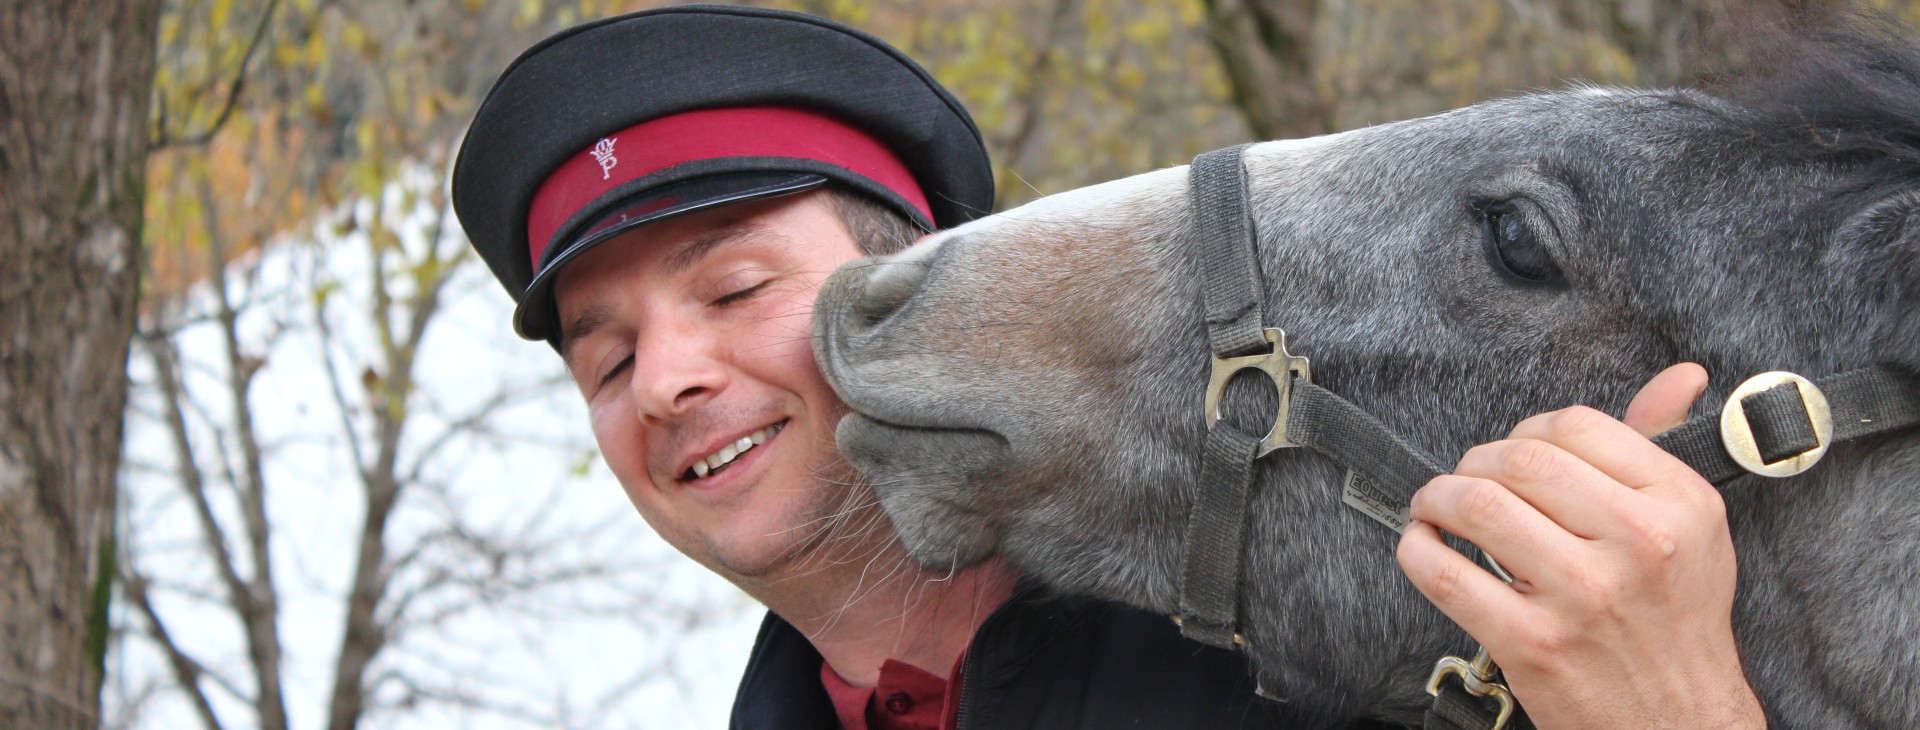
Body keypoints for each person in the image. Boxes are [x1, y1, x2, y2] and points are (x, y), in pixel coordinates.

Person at [450, 5, 1763, 728]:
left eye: (734, 287)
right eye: (605, 357)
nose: (666, 377)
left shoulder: (1364, 651)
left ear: (912, 291)